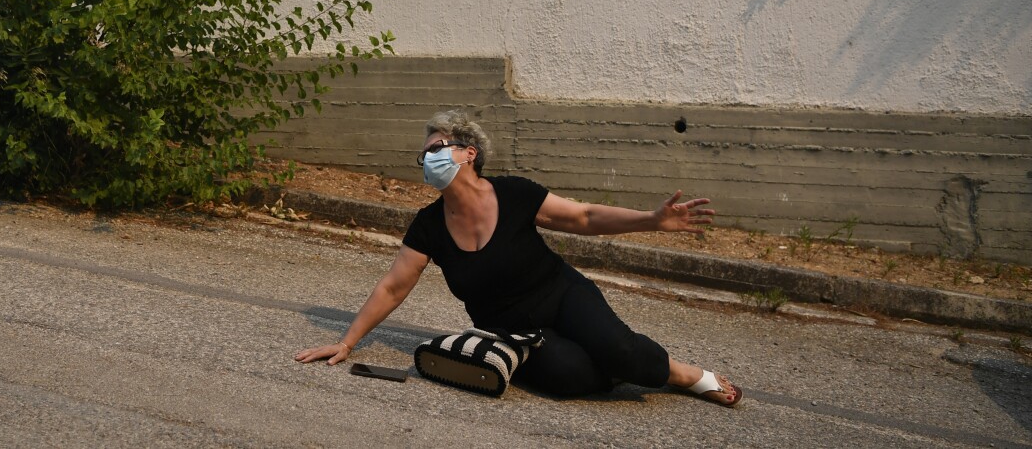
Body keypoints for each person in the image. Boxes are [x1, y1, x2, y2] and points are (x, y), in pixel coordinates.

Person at [294, 109, 742, 406]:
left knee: (620, 350)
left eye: (438, 147)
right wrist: (348, 341)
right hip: (513, 331)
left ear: (469, 153)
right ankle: (616, 366)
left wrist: (651, 220)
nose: (428, 157)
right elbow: (394, 285)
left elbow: (583, 217)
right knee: (571, 379)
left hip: (561, 294)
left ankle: (684, 374)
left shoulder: (514, 193)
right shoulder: (429, 225)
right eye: (423, 153)